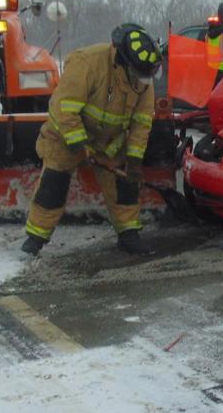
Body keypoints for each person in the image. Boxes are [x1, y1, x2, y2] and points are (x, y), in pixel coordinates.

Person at [21, 23, 160, 257]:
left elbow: (141, 122)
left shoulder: (142, 77)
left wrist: (135, 161)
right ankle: (35, 237)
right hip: (66, 134)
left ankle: (128, 235)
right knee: (54, 182)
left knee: (125, 183)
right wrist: (78, 143)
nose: (143, 81)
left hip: (108, 141)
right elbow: (63, 108)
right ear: (123, 62)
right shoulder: (88, 63)